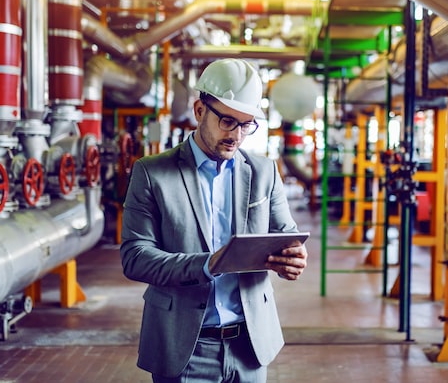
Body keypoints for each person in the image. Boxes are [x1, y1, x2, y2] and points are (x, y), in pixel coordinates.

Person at [120, 58, 308, 383]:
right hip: (185, 348)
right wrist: (208, 264)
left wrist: (293, 257)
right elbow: (135, 258)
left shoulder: (264, 172)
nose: (236, 135)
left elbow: (286, 234)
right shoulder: (152, 173)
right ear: (199, 110)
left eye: (246, 124)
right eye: (227, 121)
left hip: (250, 346)